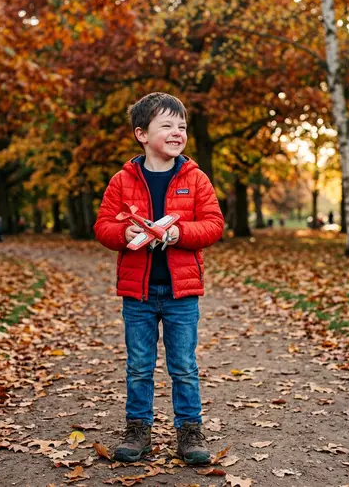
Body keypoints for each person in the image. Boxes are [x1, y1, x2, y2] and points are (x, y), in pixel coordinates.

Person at [94, 93, 224, 465]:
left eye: (181, 126)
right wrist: (125, 236)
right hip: (139, 292)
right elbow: (103, 226)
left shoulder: (195, 178)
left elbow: (213, 225)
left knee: (183, 364)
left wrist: (178, 234)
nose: (176, 132)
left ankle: (189, 430)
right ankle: (138, 430)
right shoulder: (122, 181)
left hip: (182, 292)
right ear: (141, 134)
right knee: (139, 364)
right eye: (166, 125)